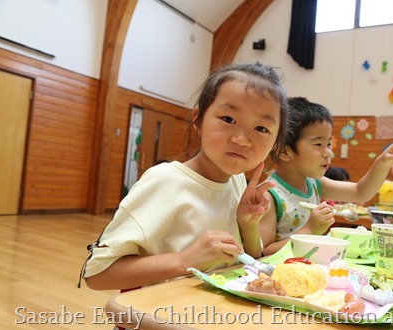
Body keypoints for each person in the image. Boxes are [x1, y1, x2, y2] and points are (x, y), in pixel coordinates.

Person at [80, 62, 289, 291]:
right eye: (228, 119)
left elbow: (249, 260)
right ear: (198, 120)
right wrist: (184, 261)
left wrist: (248, 225)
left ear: (275, 142)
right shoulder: (164, 181)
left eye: (261, 129)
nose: (242, 139)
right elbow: (97, 273)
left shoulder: (238, 182)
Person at [259, 97, 393, 255]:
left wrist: (383, 163)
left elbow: (360, 192)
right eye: (318, 144)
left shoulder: (315, 183)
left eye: (328, 144)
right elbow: (264, 253)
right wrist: (309, 230)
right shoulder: (270, 195)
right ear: (285, 151)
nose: (328, 152)